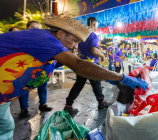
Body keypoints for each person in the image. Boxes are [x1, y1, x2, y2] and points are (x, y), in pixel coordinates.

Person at [0, 15, 148, 139]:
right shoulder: (44, 38)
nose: (76, 47)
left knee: (6, 126)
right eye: (75, 41)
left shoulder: (52, 52)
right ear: (60, 34)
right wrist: (120, 77)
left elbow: (81, 68)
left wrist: (108, 77)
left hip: (3, 99)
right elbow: (79, 65)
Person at [65, 17, 109, 115]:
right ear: (93, 24)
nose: (97, 27)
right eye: (97, 25)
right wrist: (102, 55)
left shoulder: (81, 35)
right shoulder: (93, 35)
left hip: (81, 63)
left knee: (78, 85)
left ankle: (68, 105)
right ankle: (101, 103)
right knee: (96, 84)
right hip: (91, 64)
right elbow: (94, 50)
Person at [18, 20, 51, 118]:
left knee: (43, 85)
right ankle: (24, 109)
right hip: (25, 69)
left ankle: (43, 104)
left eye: (38, 28)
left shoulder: (44, 40)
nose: (35, 29)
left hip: (40, 68)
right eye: (33, 27)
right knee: (24, 88)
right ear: (27, 28)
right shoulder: (22, 39)